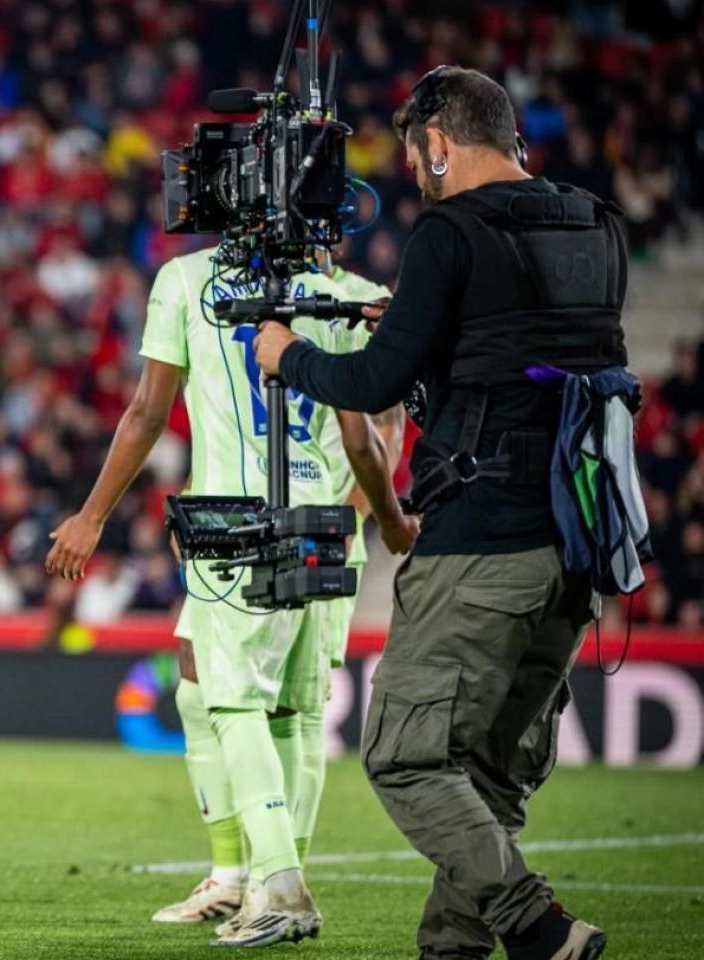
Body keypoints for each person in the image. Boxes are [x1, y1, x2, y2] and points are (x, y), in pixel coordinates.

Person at [254, 66, 623, 960]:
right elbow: (534, 355)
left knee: (408, 758)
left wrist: (288, 354)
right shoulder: (595, 224)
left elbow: (374, 382)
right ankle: (449, 953)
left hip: (483, 544)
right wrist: (429, 330)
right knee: (487, 776)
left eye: (419, 154)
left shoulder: (450, 232)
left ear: (440, 141)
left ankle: (537, 929)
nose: (418, 172)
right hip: (580, 542)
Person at [48, 245, 413, 948]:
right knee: (227, 693)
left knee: (249, 704)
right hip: (319, 523)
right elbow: (375, 433)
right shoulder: (350, 301)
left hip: (245, 526)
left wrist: (92, 515)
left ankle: (274, 880)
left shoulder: (190, 279)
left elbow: (148, 410)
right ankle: (241, 875)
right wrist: (374, 519)